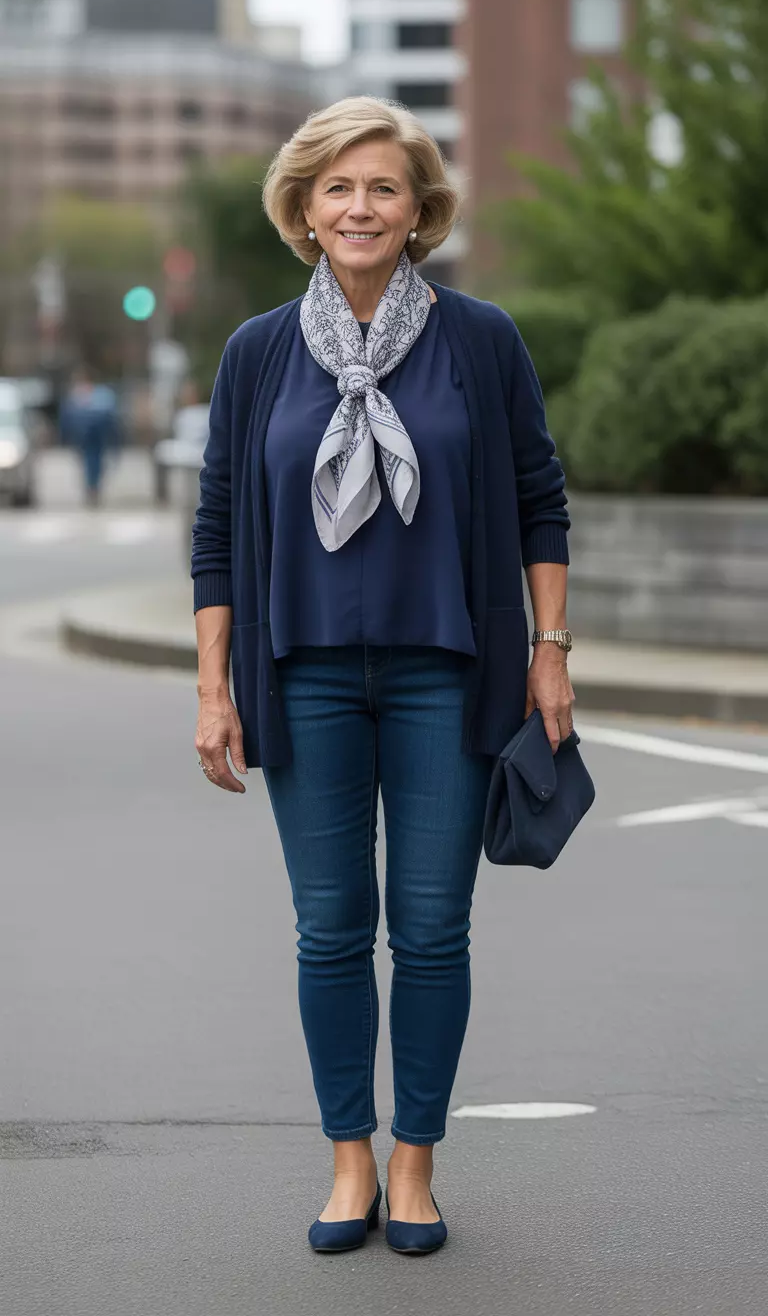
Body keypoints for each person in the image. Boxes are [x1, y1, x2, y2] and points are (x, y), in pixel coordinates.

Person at [191, 96, 574, 1256]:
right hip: (300, 672)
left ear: (420, 213)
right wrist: (214, 686)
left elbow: (538, 502)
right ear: (305, 210)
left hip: (446, 673)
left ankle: (416, 1162)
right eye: (339, 188)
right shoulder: (257, 352)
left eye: (385, 189)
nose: (361, 207)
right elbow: (216, 528)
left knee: (432, 928)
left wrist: (549, 652)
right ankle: (348, 1158)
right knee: (328, 931)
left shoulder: (482, 340)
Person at [59, 366, 118, 507]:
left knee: (94, 463)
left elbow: (109, 417)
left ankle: (93, 488)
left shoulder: (99, 394)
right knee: (88, 463)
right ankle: (91, 488)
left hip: (95, 436)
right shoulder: (78, 394)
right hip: (84, 437)